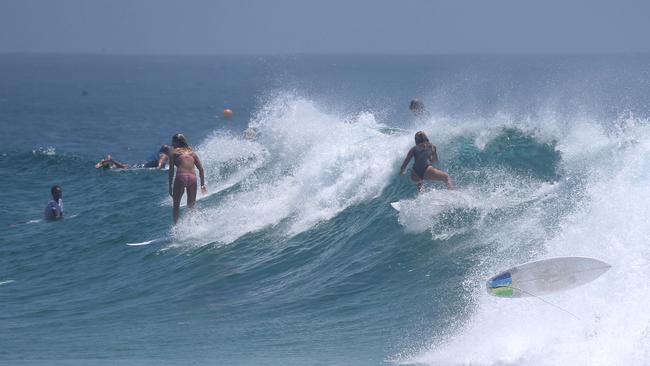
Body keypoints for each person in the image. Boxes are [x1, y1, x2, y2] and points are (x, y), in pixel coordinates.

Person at [168, 133, 207, 224]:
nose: (172, 144)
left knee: (176, 204)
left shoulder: (173, 152)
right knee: (191, 206)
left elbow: (171, 170)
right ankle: (198, 225)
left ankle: (176, 228)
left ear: (177, 142)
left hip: (181, 176)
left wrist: (170, 185)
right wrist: (202, 184)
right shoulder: (192, 153)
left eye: (173, 142)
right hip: (193, 178)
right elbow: (201, 169)